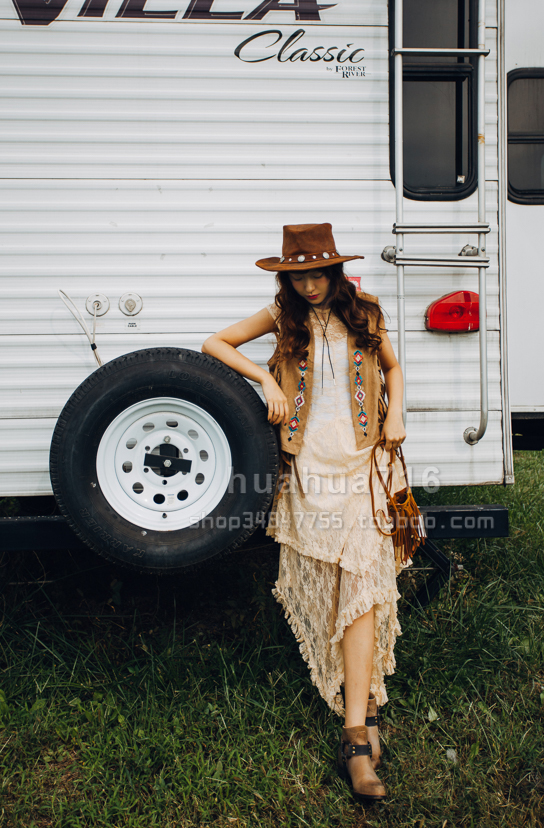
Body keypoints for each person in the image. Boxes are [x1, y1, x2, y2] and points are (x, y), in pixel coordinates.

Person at [202, 222, 408, 804]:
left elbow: (391, 369)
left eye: (318, 274)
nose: (311, 286)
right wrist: (263, 375)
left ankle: (356, 738)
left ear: (335, 272)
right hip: (311, 464)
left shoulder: (365, 312)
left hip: (364, 459)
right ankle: (361, 707)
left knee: (363, 581)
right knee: (333, 583)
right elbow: (214, 343)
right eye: (299, 277)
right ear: (287, 278)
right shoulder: (281, 317)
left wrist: (396, 414)